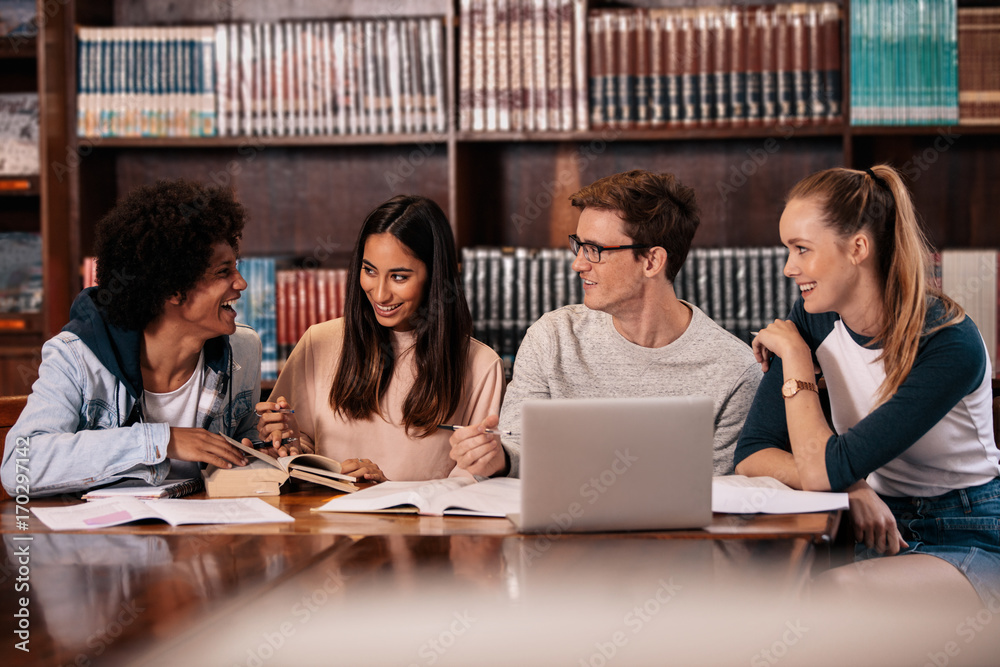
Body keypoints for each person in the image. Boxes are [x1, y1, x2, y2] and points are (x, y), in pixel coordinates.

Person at [734, 165, 1000, 608]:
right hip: (873, 520)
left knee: (833, 597)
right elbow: (753, 453)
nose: (788, 268)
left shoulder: (949, 342)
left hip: (970, 531)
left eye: (801, 249)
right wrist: (851, 486)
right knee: (769, 587)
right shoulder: (814, 319)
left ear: (858, 247)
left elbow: (820, 470)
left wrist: (797, 357)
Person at [449, 169, 763, 477]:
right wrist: (495, 457)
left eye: (594, 250)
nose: (578, 264)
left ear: (652, 261)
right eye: (579, 245)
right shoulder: (551, 338)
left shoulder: (735, 370)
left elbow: (720, 494)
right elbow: (516, 446)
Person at [1, 179, 258, 497]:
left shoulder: (243, 350)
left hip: (204, 538)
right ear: (171, 288)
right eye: (223, 272)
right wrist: (162, 441)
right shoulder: (76, 358)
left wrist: (270, 445)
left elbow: (243, 446)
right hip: (96, 542)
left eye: (237, 267)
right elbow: (19, 469)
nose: (241, 283)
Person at [256, 195, 504, 482]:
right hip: (324, 522)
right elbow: (296, 454)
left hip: (419, 525)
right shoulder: (318, 342)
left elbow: (472, 486)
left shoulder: (481, 366)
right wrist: (288, 441)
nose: (380, 294)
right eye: (369, 271)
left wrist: (386, 490)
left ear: (435, 276)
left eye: (399, 277)